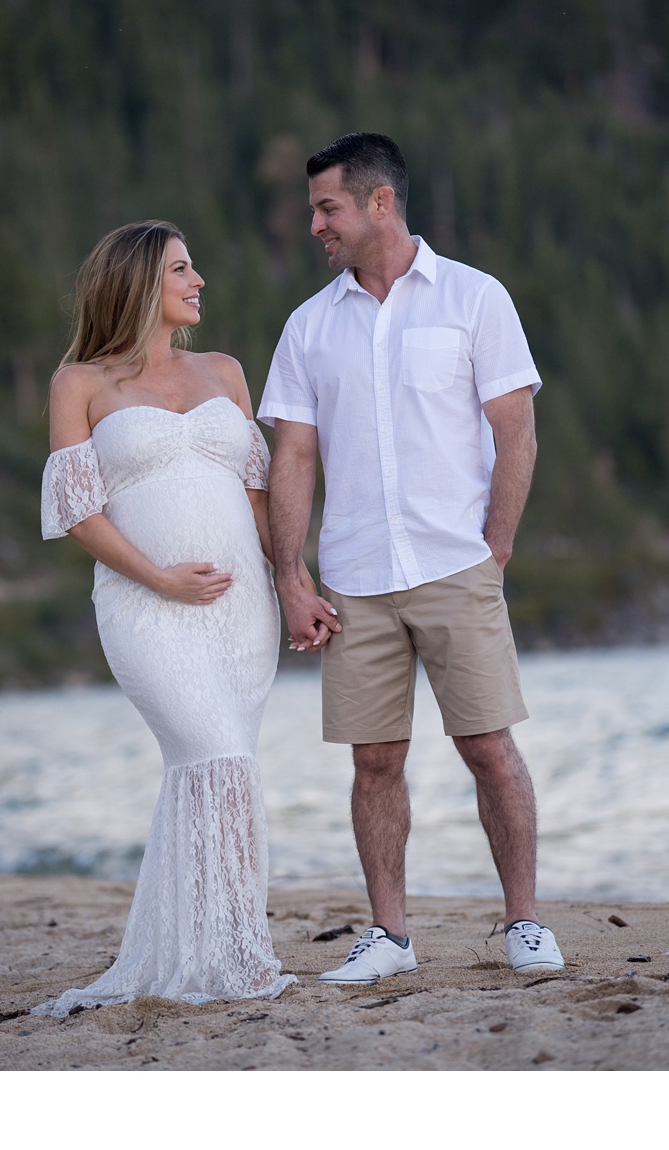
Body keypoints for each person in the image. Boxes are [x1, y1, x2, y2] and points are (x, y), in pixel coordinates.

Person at [261, 132, 565, 981]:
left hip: (455, 564)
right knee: (373, 761)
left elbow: (516, 435)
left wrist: (493, 551)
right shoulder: (308, 327)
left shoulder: (474, 299)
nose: (316, 223)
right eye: (315, 208)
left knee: (488, 747)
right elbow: (292, 457)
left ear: (378, 203)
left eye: (328, 207)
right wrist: (290, 578)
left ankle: (523, 923)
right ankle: (389, 938)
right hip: (354, 577)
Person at [33, 220, 297, 1014]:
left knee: (224, 768)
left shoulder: (225, 371)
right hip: (145, 606)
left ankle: (222, 945)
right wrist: (159, 578)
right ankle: (242, 956)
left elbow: (258, 496)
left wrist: (296, 583)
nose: (200, 280)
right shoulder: (80, 383)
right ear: (142, 281)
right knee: (216, 757)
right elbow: (78, 513)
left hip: (242, 606)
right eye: (183, 269)